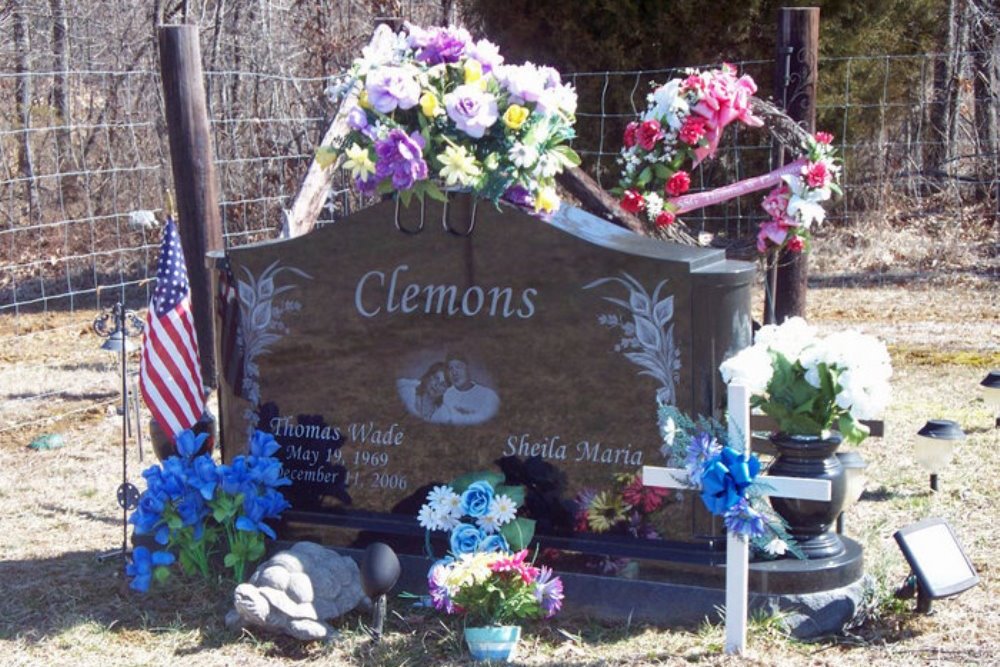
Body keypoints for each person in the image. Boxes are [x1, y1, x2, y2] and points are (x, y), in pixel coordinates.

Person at [442, 353, 499, 425]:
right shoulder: (445, 395)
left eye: (458, 367)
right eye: (450, 369)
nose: (454, 372)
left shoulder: (489, 395)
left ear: (468, 369)